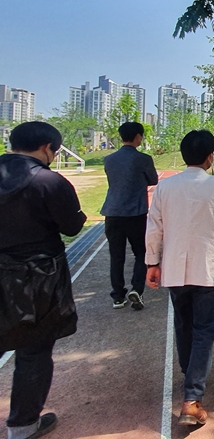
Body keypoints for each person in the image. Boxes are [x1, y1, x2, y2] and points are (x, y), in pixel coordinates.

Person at [145, 130, 214, 426]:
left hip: (175, 269)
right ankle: (192, 398)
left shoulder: (165, 188)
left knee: (183, 325)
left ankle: (190, 377)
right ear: (210, 156)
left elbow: (155, 228)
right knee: (203, 330)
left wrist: (152, 262)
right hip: (210, 269)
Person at [0, 121, 86, 439]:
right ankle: (22, 426)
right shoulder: (49, 181)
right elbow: (72, 226)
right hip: (37, 277)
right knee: (33, 350)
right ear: (48, 148)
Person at [100, 121, 158, 310]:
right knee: (141, 252)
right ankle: (137, 289)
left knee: (116, 255)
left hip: (112, 212)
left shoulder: (109, 159)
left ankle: (118, 296)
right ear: (138, 137)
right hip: (135, 213)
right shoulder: (143, 159)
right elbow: (153, 179)